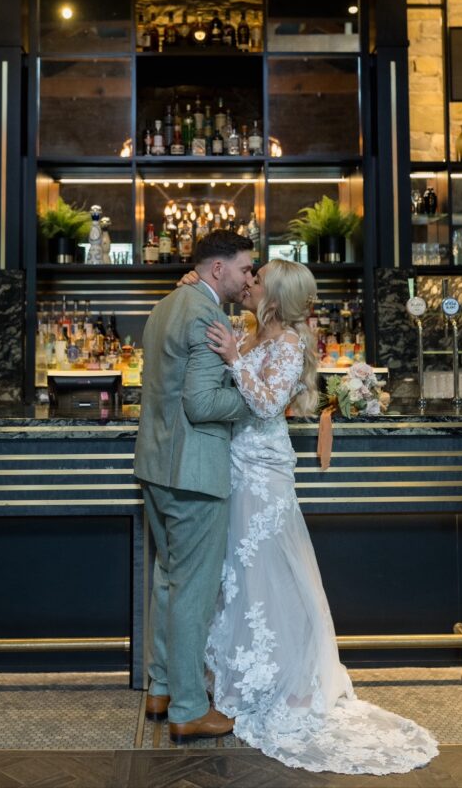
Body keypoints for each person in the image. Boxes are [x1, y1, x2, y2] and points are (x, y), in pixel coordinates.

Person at [184, 258, 439, 775]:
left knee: (271, 570)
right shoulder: (256, 334)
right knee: (239, 574)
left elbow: (267, 404)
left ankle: (287, 681)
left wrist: (235, 359)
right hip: (238, 466)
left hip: (263, 471)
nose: (248, 283)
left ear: (274, 297)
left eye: (256, 281)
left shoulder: (287, 343)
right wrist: (195, 285)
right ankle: (240, 674)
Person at [134, 229, 255, 744]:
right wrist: (257, 401)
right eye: (245, 268)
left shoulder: (163, 306)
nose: (249, 276)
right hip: (194, 473)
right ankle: (187, 708)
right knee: (193, 591)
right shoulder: (208, 315)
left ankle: (160, 688)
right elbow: (202, 405)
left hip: (157, 465)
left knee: (166, 579)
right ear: (216, 270)